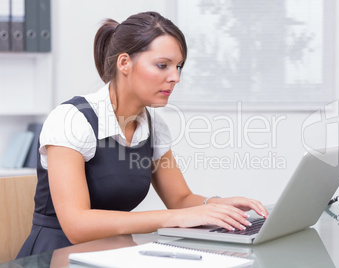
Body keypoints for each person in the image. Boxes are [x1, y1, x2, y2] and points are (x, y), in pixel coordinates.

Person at [17, 11, 268, 258]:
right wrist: (177, 218)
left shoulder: (153, 127)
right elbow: (77, 226)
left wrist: (215, 205)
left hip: (113, 254)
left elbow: (180, 199)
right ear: (124, 63)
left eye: (178, 66)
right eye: (163, 65)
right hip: (56, 256)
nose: (175, 77)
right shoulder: (72, 120)